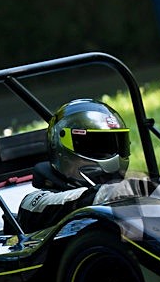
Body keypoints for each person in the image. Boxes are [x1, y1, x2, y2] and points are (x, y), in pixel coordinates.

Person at [17, 99, 150, 232]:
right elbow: (76, 202)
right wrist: (123, 191)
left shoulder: (121, 189)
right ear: (62, 147)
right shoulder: (33, 203)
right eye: (98, 146)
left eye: (118, 144)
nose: (112, 155)